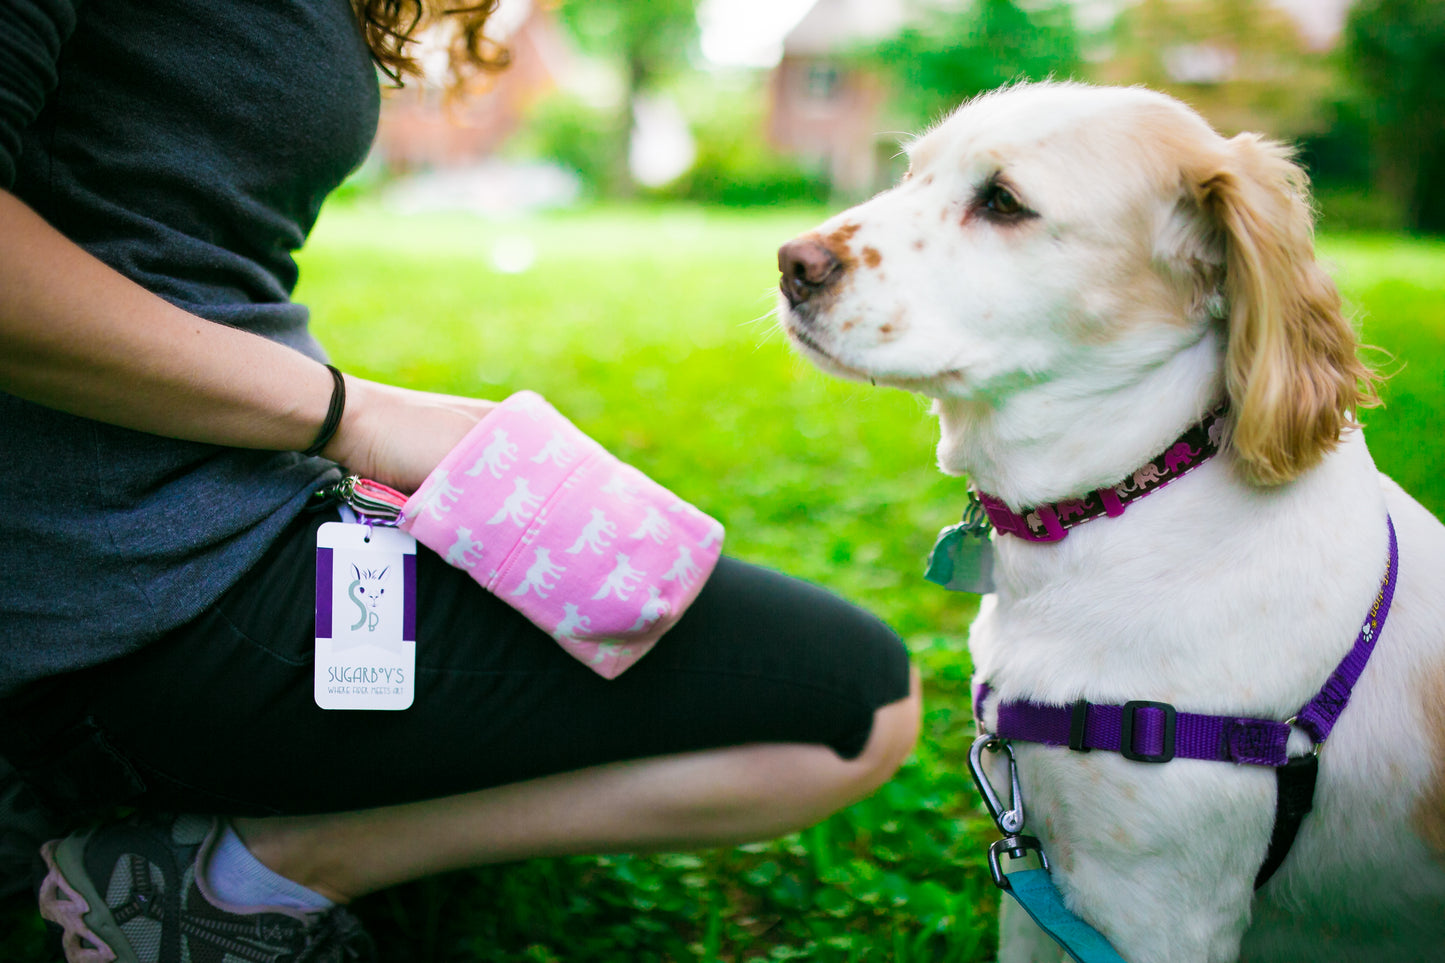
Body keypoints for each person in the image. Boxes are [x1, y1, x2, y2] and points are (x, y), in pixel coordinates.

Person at [0, 1, 921, 960]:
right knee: (854, 708)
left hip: (205, 511)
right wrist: (352, 416)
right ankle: (230, 880)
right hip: (116, 590)